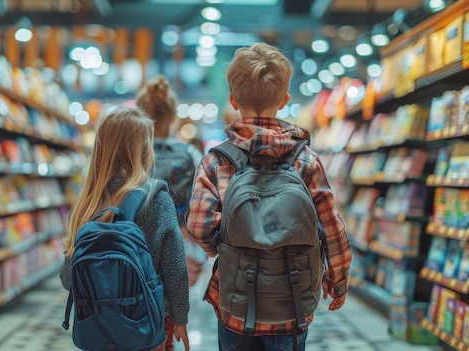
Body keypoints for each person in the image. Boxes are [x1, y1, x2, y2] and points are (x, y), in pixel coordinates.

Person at [186, 42, 352, 351]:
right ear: (285, 99)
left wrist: (229, 244)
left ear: (233, 101)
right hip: (293, 302)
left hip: (236, 301)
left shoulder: (217, 161)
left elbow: (199, 226)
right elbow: (333, 227)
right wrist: (337, 279)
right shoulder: (306, 160)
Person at [59, 106, 190, 351]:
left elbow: (68, 279)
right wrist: (180, 317)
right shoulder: (156, 198)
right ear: (144, 150)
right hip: (147, 325)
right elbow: (175, 268)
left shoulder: (87, 202)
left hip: (95, 330)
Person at [135, 75, 207, 289]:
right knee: (176, 313)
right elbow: (203, 205)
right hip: (184, 249)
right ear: (173, 116)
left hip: (137, 248)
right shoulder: (190, 153)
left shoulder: (131, 153)